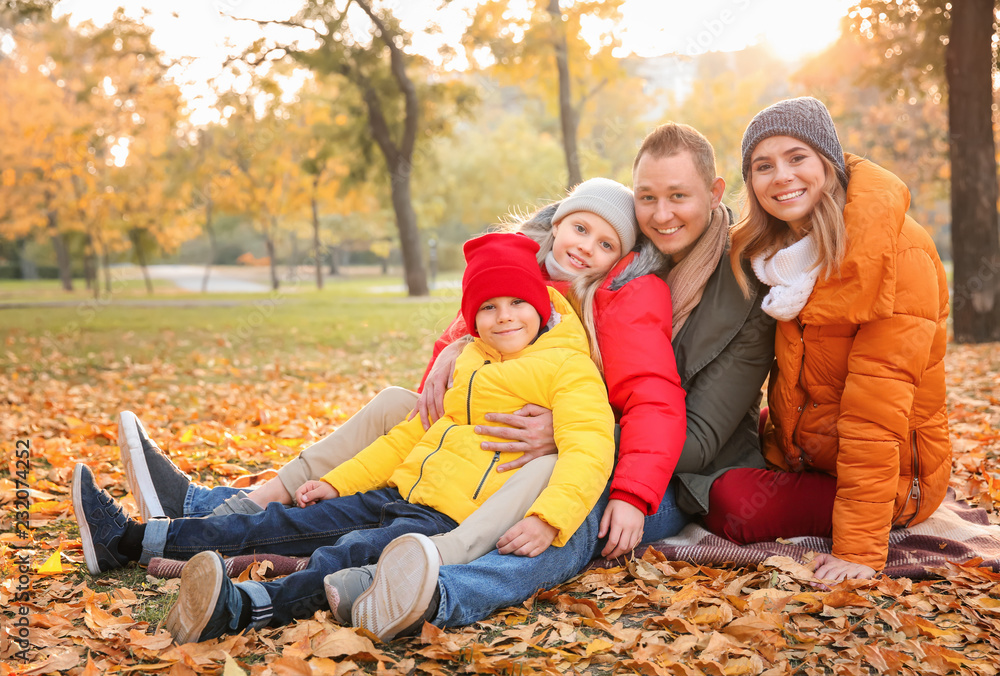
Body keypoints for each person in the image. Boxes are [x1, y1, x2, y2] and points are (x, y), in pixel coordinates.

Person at [334, 123, 778, 640]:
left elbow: (697, 439)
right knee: (420, 440)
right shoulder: (615, 260)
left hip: (682, 475)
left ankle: (438, 593)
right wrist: (454, 348)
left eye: (679, 197)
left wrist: (571, 432)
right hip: (580, 435)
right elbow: (506, 328)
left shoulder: (745, 288)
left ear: (715, 192)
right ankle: (287, 519)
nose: (662, 214)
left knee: (573, 509)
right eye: (648, 197)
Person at [72, 231, 617, 644]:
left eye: (517, 303)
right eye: (488, 307)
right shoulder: (470, 358)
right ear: (471, 318)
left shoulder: (566, 369)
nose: (504, 317)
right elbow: (407, 438)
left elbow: (590, 448)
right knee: (287, 522)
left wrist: (550, 518)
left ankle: (242, 607)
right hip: (397, 493)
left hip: (446, 519)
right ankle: (132, 541)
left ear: (541, 305)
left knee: (346, 556)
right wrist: (338, 482)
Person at [121, 178, 689, 567]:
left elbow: (630, 398)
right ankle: (242, 501)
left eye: (606, 242)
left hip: (531, 447)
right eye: (580, 229)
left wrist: (612, 474)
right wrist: (456, 343)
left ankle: (214, 509)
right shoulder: (517, 273)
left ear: (621, 257)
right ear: (558, 225)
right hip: (467, 428)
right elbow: (443, 383)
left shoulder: (607, 300)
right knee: (398, 402)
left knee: (405, 417)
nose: (586, 247)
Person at [700, 96, 951, 582]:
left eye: (798, 157)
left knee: (730, 504)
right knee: (725, 432)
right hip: (819, 450)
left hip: (900, 479)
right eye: (763, 165)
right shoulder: (779, 257)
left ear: (829, 163)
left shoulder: (894, 251)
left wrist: (859, 550)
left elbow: (876, 413)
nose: (781, 176)